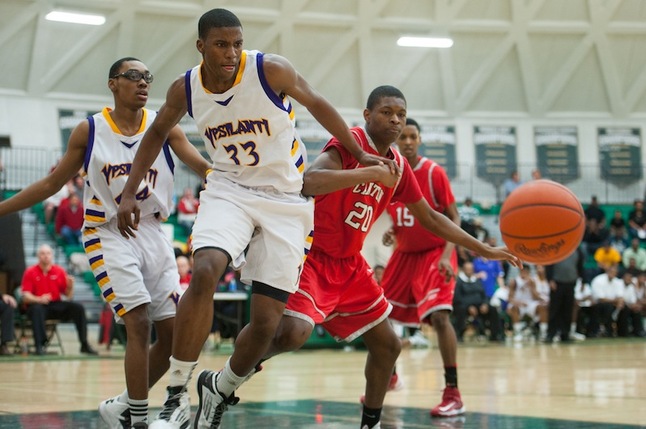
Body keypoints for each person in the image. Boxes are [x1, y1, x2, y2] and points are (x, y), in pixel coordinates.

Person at [115, 10, 397, 429]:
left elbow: (317, 102)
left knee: (267, 325)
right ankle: (177, 393)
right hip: (230, 188)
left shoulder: (271, 70)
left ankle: (220, 386)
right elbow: (156, 133)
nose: (230, 53)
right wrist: (128, 192)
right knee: (207, 267)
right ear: (201, 47)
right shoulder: (185, 89)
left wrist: (360, 154)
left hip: (286, 198)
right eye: (220, 44)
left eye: (236, 44)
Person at [239, 86, 518, 429]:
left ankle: (370, 423)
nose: (396, 120)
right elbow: (309, 182)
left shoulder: (399, 167)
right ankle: (234, 371)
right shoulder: (351, 142)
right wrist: (369, 172)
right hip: (313, 254)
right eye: (387, 112)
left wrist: (484, 248)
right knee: (290, 334)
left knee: (388, 346)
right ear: (368, 115)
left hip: (350, 264)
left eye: (401, 114)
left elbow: (431, 217)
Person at [0, 57, 210, 428]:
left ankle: (124, 406)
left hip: (153, 231)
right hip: (107, 232)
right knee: (139, 321)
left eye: (148, 77)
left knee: (173, 332)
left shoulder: (163, 125)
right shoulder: (90, 130)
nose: (143, 83)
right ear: (113, 84)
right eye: (133, 76)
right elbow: (51, 184)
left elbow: (203, 167)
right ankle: (139, 420)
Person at [379, 117, 464, 417]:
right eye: (403, 137)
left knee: (440, 318)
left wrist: (447, 255)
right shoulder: (389, 172)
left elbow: (455, 218)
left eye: (413, 136)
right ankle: (390, 378)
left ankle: (452, 392)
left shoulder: (433, 173)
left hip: (435, 252)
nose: (408, 142)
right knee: (378, 315)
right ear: (395, 140)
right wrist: (395, 232)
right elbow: (401, 214)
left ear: (420, 139)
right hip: (405, 254)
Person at [20, 244, 97, 356]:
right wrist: (39, 299)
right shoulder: (30, 272)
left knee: (78, 308)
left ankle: (84, 344)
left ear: (51, 255)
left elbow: (68, 296)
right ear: (38, 256)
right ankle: (39, 345)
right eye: (43, 253)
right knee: (37, 310)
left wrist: (70, 287)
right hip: (37, 305)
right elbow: (25, 296)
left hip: (55, 304)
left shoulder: (59, 271)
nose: (45, 256)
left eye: (48, 253)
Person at [453, 261, 501, 342]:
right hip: (465, 307)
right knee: (460, 310)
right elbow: (457, 298)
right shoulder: (459, 282)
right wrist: (469, 307)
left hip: (479, 306)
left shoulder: (477, 281)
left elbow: (484, 295)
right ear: (464, 270)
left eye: (471, 269)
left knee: (492, 309)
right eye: (467, 270)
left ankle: (495, 335)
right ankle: (459, 334)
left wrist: (485, 304)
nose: (469, 271)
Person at [545, 247, 585, 342]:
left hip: (570, 283)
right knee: (554, 310)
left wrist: (583, 280)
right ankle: (551, 334)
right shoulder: (555, 249)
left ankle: (565, 334)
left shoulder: (578, 250)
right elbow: (548, 264)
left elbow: (580, 266)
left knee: (568, 310)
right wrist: (550, 279)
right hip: (556, 283)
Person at [507, 265, 549, 342]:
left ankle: (543, 332)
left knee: (542, 307)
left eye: (526, 271)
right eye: (523, 271)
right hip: (518, 304)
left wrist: (531, 287)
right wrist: (518, 303)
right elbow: (509, 298)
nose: (524, 273)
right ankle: (517, 332)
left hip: (530, 304)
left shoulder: (532, 281)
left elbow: (535, 296)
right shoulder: (514, 281)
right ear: (520, 272)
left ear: (529, 272)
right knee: (514, 308)